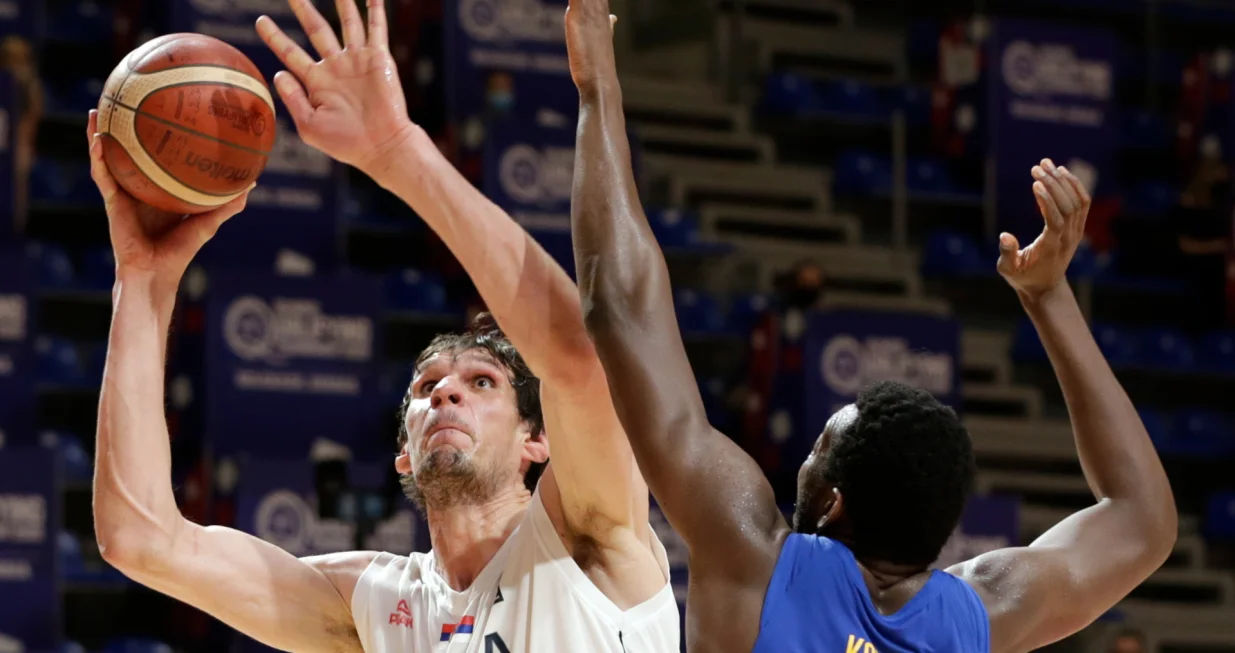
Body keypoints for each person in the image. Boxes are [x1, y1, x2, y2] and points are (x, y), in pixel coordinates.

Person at [564, 1, 1178, 652]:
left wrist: (596, 88)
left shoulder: (757, 563)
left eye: (816, 448)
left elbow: (620, 308)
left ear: (833, 502)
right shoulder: (978, 616)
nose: (804, 456)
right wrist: (1048, 296)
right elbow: (1142, 519)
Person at [90, 1, 680, 651]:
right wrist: (143, 283)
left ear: (535, 444)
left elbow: (578, 358)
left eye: (482, 383)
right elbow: (142, 539)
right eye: (426, 387)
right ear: (404, 449)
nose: (445, 393)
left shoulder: (594, 538)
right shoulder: (375, 603)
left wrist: (398, 153)